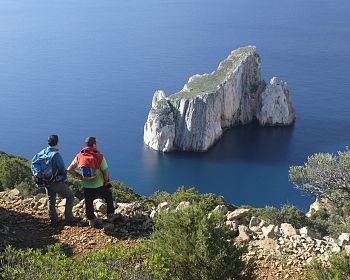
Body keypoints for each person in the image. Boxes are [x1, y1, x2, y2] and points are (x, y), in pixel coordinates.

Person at [67, 136, 115, 228]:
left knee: (88, 201)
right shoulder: (99, 156)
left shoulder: (79, 156)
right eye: (96, 144)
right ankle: (110, 215)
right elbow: (105, 171)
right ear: (94, 145)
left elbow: (69, 169)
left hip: (86, 185)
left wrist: (79, 176)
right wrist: (106, 182)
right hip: (99, 185)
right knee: (108, 194)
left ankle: (91, 219)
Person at [34, 135, 75, 226]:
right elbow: (62, 170)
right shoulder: (56, 155)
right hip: (55, 182)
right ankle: (68, 218)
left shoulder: (43, 152)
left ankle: (54, 221)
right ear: (57, 142)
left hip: (45, 181)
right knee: (70, 196)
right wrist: (63, 179)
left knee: (50, 200)